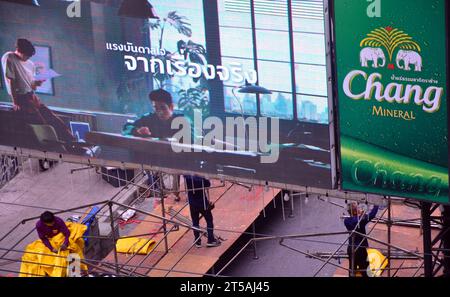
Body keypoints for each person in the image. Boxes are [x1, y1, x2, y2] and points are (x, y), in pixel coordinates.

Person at [1, 38, 76, 144]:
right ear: (19, 50)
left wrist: (38, 82)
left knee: (52, 118)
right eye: (26, 55)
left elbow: (32, 85)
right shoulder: (9, 57)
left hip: (32, 96)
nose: (27, 58)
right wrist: (15, 102)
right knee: (42, 122)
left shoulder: (30, 64)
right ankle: (57, 145)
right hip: (22, 98)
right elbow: (11, 81)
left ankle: (72, 140)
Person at [123, 89, 182, 200]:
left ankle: (175, 192)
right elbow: (127, 128)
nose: (159, 112)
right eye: (156, 108)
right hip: (154, 157)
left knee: (176, 173)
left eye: (163, 108)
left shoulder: (180, 120)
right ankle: (159, 190)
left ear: (171, 107)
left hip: (174, 156)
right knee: (153, 173)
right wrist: (137, 131)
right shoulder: (148, 118)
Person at [184, 175, 221, 248]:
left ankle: (197, 241)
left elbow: (184, 175)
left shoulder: (188, 177)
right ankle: (210, 240)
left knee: (195, 222)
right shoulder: (201, 178)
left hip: (192, 203)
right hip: (202, 203)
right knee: (209, 220)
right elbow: (208, 184)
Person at [344, 202, 379, 277]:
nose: (359, 209)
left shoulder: (346, 221)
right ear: (354, 211)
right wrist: (377, 204)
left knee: (352, 269)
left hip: (350, 248)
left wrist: (361, 215)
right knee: (365, 270)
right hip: (360, 249)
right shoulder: (360, 221)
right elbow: (372, 215)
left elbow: (356, 219)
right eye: (358, 208)